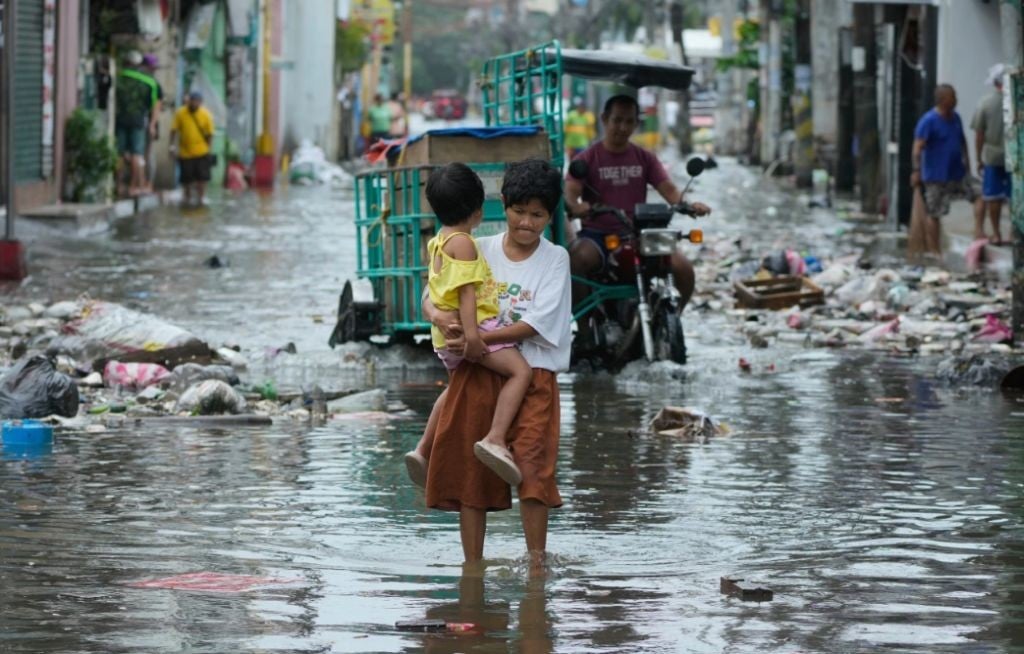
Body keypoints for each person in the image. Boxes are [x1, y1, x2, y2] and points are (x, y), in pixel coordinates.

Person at [419, 158, 570, 568]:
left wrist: (477, 338)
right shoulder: (475, 246)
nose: (526, 223)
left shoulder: (555, 259)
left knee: (534, 468)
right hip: (479, 370)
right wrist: (439, 318)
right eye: (519, 212)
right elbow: (432, 294)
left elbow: (535, 324)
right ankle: (473, 566)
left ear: (550, 215)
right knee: (473, 473)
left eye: (537, 215)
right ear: (502, 206)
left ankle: (536, 562)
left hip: (534, 372)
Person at [405, 163, 533, 487]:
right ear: (477, 210)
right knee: (521, 372)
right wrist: (475, 339)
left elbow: (435, 290)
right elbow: (467, 295)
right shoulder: (464, 243)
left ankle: (422, 450)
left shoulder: (438, 241)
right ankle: (495, 437)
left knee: (453, 390)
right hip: (469, 331)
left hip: (443, 336)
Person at [563, 94, 711, 312]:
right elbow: (570, 192)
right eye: (617, 120)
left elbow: (668, 189)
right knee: (576, 260)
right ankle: (584, 332)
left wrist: (688, 205)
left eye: (629, 121)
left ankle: (671, 324)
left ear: (636, 124)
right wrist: (576, 207)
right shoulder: (586, 159)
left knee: (684, 269)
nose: (623, 127)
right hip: (599, 235)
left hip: (639, 234)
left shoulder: (645, 157)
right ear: (605, 119)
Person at [911, 84, 984, 256]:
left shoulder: (955, 118)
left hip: (957, 173)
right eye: (953, 96)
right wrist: (916, 171)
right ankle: (935, 252)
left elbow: (962, 140)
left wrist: (967, 161)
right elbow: (917, 148)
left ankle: (979, 232)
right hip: (935, 176)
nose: (956, 99)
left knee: (980, 193)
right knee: (934, 213)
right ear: (943, 100)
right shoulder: (928, 121)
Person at [971, 64, 1010, 245]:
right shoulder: (1018, 101)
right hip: (1016, 157)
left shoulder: (985, 103)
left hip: (993, 157)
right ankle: (1017, 234)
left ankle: (996, 234)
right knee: (1015, 196)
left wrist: (978, 158)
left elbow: (979, 134)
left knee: (994, 197)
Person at [115, 51, 161, 197]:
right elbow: (156, 106)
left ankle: (118, 185)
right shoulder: (150, 82)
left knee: (119, 154)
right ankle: (132, 187)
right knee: (137, 154)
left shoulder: (119, 77)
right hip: (138, 121)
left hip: (120, 119)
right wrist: (152, 125)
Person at [169, 91, 215, 207]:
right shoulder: (180, 113)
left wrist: (209, 149)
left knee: (202, 177)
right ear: (189, 101)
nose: (194, 103)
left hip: (201, 151)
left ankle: (201, 197)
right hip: (185, 152)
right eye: (192, 101)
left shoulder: (206, 115)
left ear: (200, 103)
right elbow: (173, 130)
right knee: (186, 178)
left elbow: (210, 134)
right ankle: (187, 197)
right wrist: (172, 146)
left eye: (197, 101)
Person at [139, 54, 164, 192]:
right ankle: (141, 182)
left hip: (148, 123)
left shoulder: (154, 84)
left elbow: (157, 106)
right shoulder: (139, 81)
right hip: (137, 121)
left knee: (147, 154)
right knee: (138, 154)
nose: (153, 70)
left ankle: (148, 183)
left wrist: (152, 125)